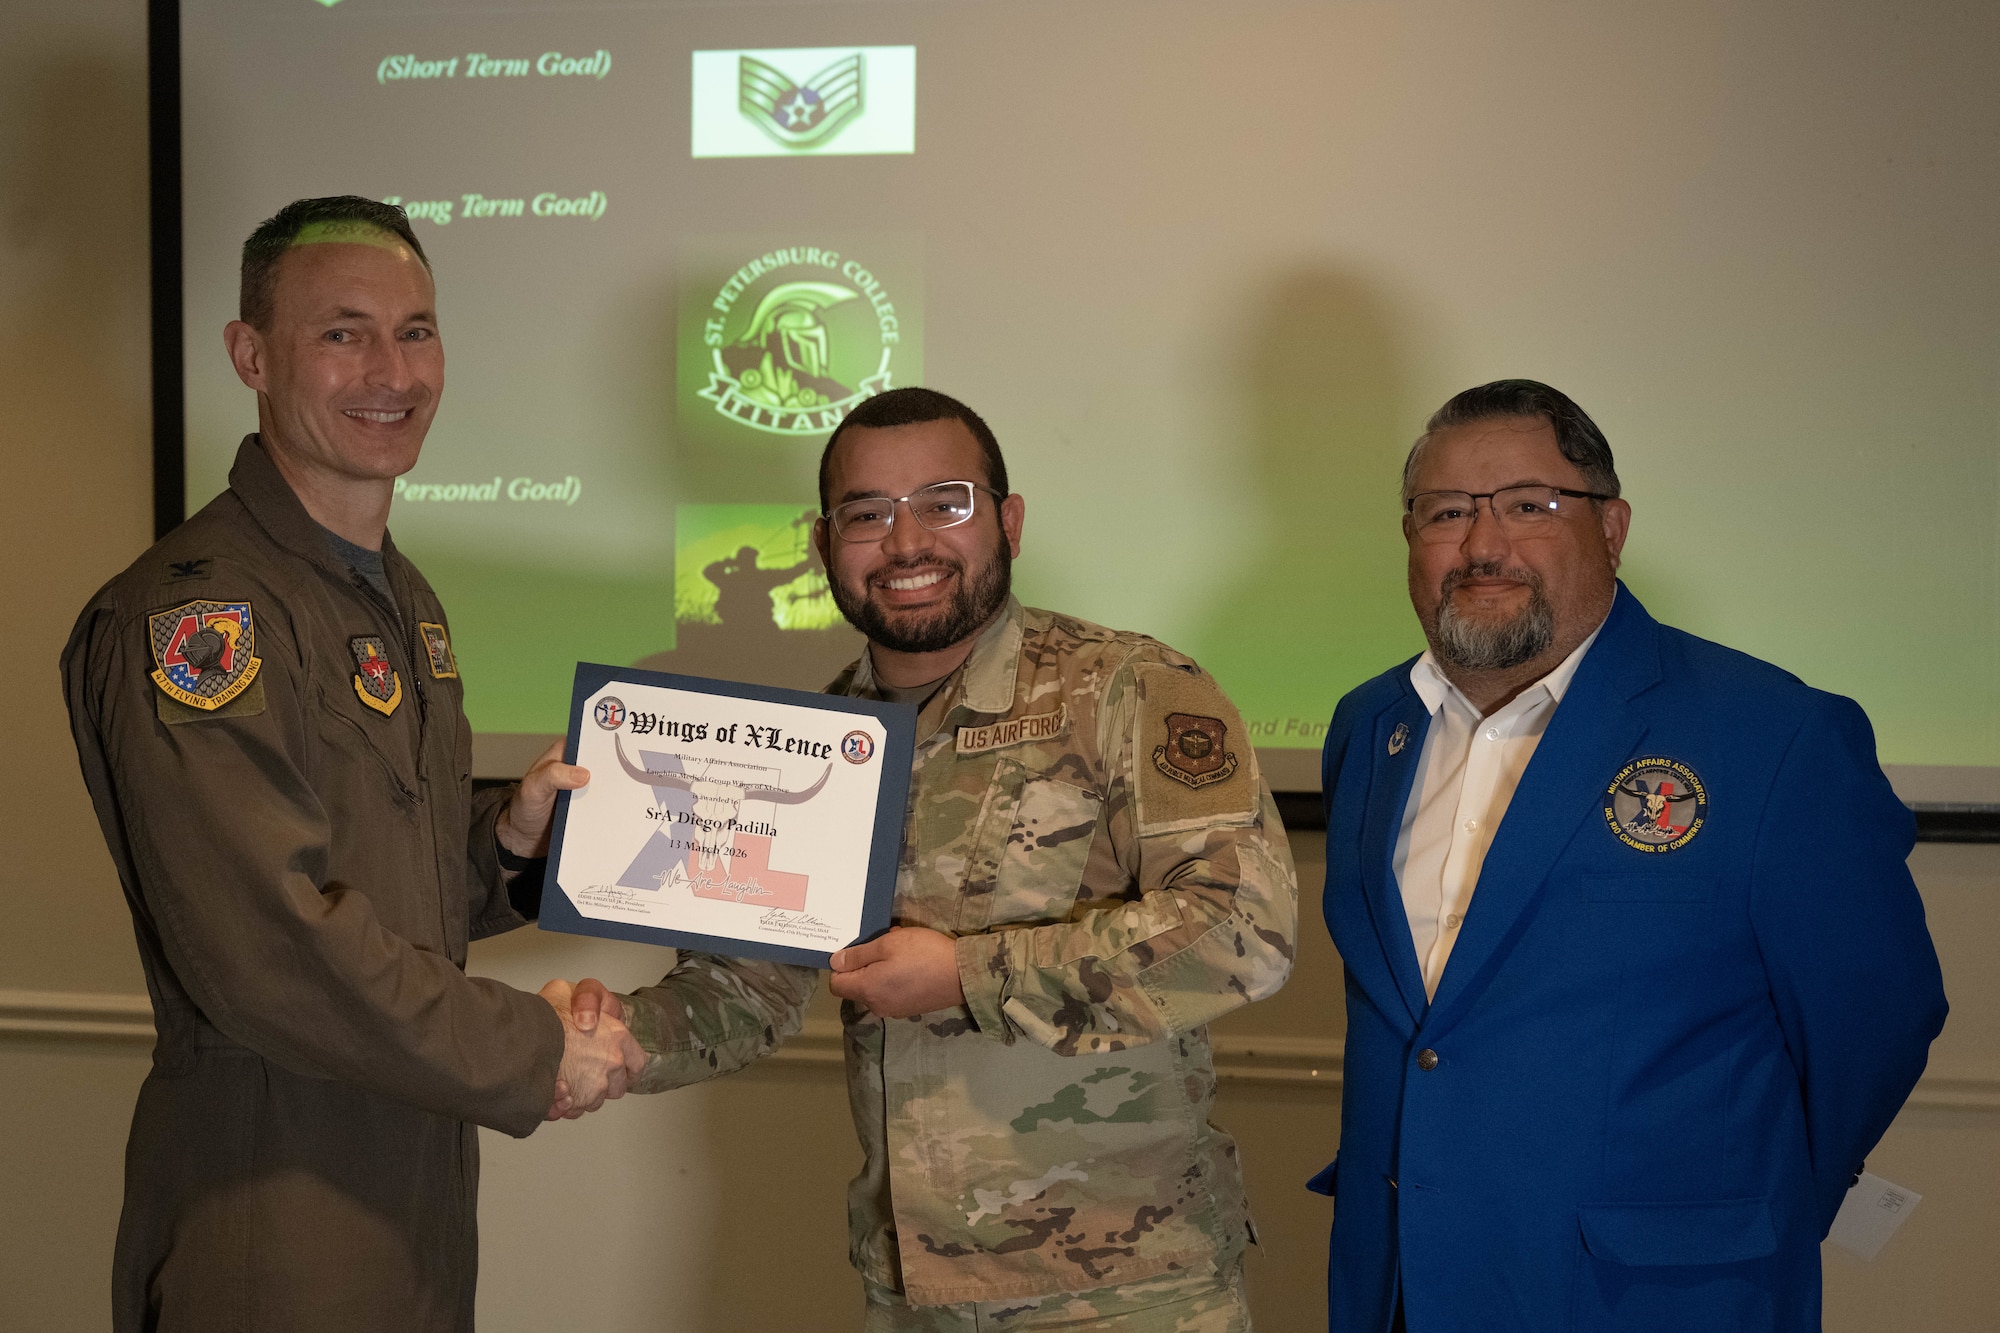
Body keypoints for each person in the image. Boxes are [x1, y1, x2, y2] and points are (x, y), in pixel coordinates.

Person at [572, 386, 1298, 1330]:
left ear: (1010, 521)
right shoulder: (814, 749)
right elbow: (749, 990)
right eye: (867, 513)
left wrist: (965, 973)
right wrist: (607, 1037)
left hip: (1124, 1289)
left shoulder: (1126, 688)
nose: (906, 541)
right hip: (911, 1291)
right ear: (822, 545)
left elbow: (1247, 927)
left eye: (943, 503)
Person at [61, 196, 645, 1333]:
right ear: (251, 354)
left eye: (416, 331)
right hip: (278, 1184)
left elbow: (384, 882)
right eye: (343, 332)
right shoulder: (203, 615)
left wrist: (506, 840)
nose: (393, 370)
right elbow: (268, 941)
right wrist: (534, 1047)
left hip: (412, 1168)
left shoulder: (395, 596)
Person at [1312, 379, 1948, 1331]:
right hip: (1401, 1283)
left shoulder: (1771, 735)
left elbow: (1877, 1018)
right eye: (1447, 512)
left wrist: (1747, 1209)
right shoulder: (1371, 725)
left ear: (1611, 528)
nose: (1484, 544)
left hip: (1653, 1294)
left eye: (1530, 505)